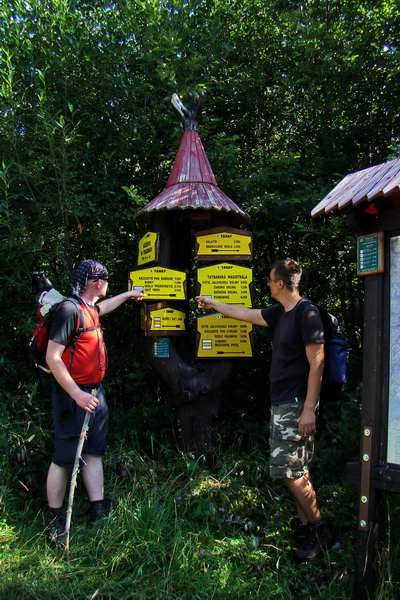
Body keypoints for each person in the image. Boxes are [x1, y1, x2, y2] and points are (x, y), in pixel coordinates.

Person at [196, 258, 332, 561]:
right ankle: (305, 527)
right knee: (297, 469)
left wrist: (309, 409)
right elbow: (246, 313)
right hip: (283, 402)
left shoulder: (306, 314)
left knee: (287, 469)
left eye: (270, 280)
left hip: (297, 405)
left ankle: (320, 529)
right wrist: (213, 303)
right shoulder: (280, 313)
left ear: (281, 284)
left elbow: (318, 363)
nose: (267, 284)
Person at [45, 259, 145, 546]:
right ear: (97, 282)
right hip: (71, 395)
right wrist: (76, 393)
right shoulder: (69, 309)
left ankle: (96, 509)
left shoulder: (89, 308)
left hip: (94, 393)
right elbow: (53, 357)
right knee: (64, 457)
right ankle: (54, 520)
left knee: (94, 451)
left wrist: (127, 296)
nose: (107, 285)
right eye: (105, 280)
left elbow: (105, 307)